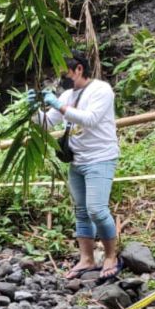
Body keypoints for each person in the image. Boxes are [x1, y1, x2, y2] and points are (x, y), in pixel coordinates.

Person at [27, 51, 122, 282]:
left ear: (78, 69)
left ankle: (111, 256)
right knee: (81, 211)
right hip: (77, 160)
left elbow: (89, 119)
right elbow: (48, 122)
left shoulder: (101, 90)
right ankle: (86, 259)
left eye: (64, 72)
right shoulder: (69, 94)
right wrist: (32, 110)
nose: (62, 78)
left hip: (100, 158)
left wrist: (59, 105)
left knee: (97, 210)